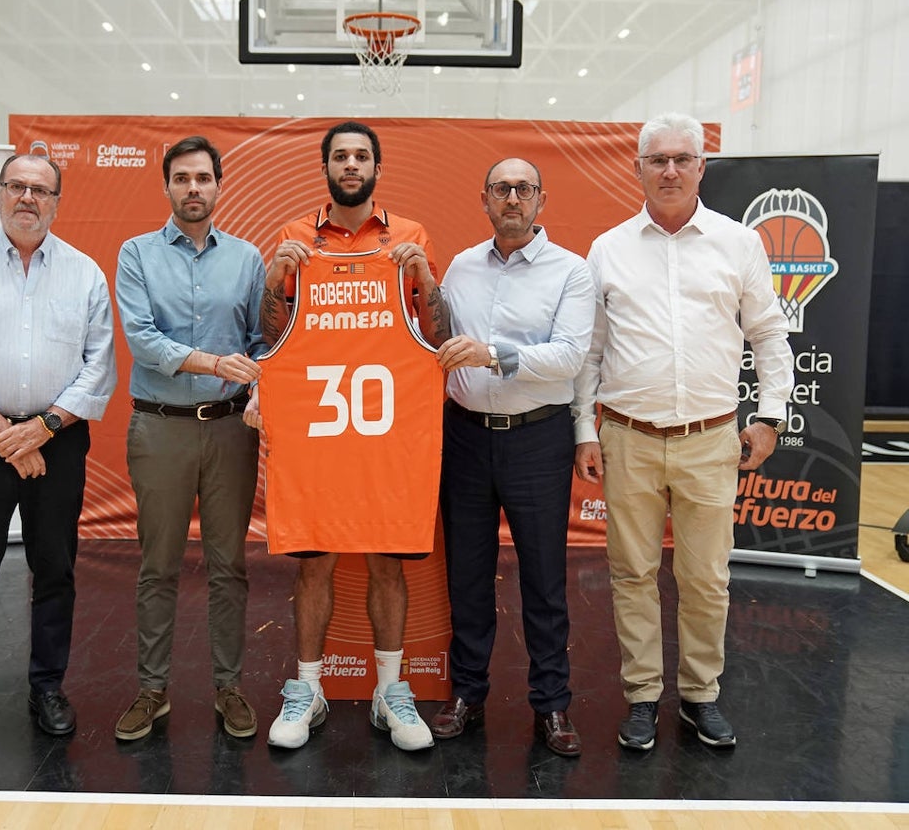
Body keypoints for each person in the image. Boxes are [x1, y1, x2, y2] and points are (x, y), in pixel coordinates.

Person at [573, 113, 794, 751]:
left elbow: (769, 336)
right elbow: (590, 353)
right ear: (637, 168)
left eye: (682, 158)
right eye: (656, 159)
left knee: (706, 578)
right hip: (627, 439)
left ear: (702, 167)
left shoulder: (739, 243)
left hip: (710, 440)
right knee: (632, 574)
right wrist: (584, 430)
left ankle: (700, 696)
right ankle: (643, 696)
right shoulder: (608, 248)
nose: (669, 169)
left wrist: (770, 416)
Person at [248, 121, 450, 752]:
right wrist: (273, 276)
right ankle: (308, 690)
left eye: (362, 155)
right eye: (341, 155)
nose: (351, 164)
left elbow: (437, 335)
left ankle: (391, 692)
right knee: (314, 565)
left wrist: (424, 277)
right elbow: (270, 335)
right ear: (327, 167)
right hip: (319, 438)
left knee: (389, 566)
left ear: (377, 168)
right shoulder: (294, 237)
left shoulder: (409, 237)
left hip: (386, 438)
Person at [0, 153, 116, 749]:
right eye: (17, 186)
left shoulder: (85, 273)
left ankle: (47, 687)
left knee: (54, 570)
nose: (28, 198)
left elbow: (98, 366)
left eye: (41, 189)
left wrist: (42, 429)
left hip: (55, 443)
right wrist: (5, 435)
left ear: (58, 201)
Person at [431, 158, 594, 757]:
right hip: (466, 437)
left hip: (536, 437)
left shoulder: (571, 272)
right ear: (484, 199)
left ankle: (552, 705)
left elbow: (571, 357)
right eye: (502, 188)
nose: (513, 198)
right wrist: (417, 282)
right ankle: (467, 694)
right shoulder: (461, 267)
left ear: (541, 201)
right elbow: (433, 335)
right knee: (468, 576)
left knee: (544, 579)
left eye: (524, 189)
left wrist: (493, 353)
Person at [112, 136, 266, 742]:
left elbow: (260, 342)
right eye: (182, 178)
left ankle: (228, 686)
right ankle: (153, 691)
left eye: (204, 177)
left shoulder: (248, 259)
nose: (193, 188)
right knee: (158, 566)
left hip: (231, 431)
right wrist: (213, 363)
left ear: (219, 185)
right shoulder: (136, 254)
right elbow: (143, 341)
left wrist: (255, 387)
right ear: (168, 186)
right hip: (159, 429)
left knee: (230, 565)